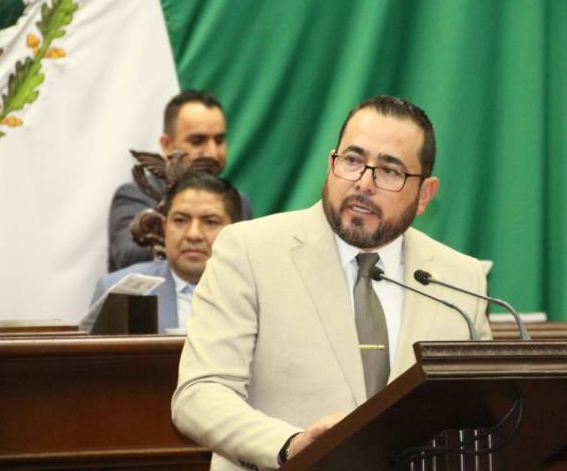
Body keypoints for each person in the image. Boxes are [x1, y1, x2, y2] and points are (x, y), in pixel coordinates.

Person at [171, 96, 492, 471]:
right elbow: (199, 394)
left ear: (424, 195)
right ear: (331, 164)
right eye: (352, 161)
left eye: (390, 171)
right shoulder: (249, 250)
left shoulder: (459, 279)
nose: (364, 183)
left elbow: (483, 412)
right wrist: (289, 445)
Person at [108, 90, 253, 271]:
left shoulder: (239, 201)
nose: (212, 153)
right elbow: (127, 256)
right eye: (197, 141)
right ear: (167, 145)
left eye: (219, 140)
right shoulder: (136, 195)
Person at [83, 172, 241, 334]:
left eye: (210, 222)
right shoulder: (117, 291)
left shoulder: (253, 290)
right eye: (180, 220)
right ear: (164, 227)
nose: (193, 235)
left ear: (235, 230)